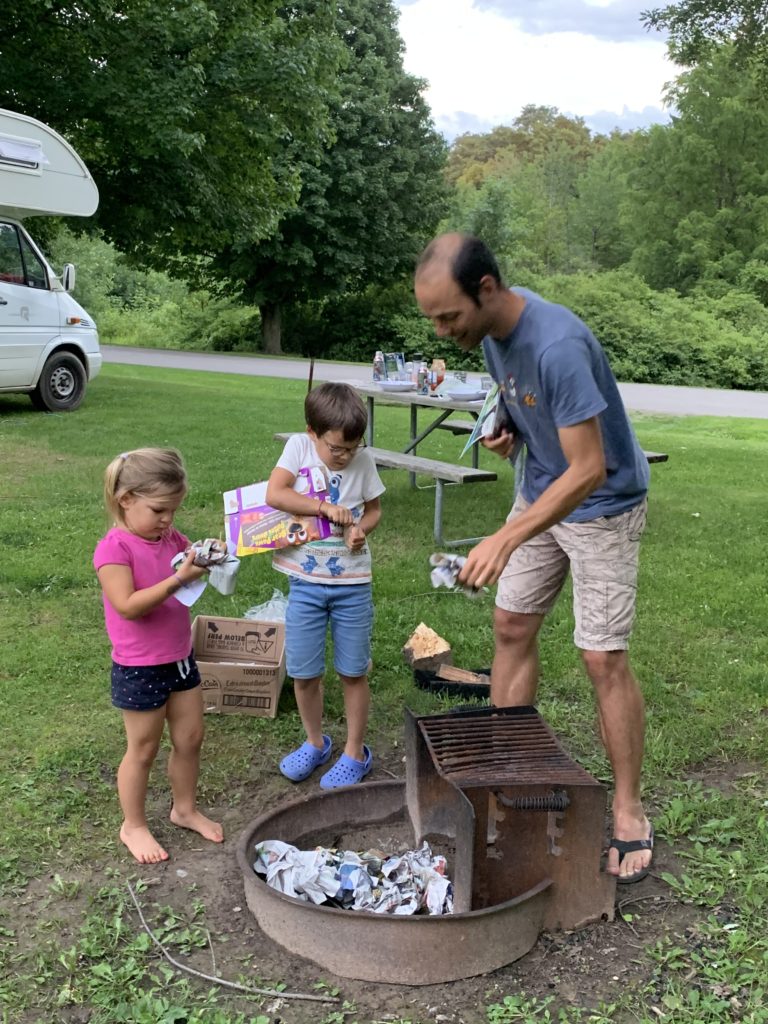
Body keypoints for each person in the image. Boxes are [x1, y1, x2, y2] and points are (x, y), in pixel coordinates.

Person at [414, 233, 654, 883]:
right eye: (433, 318)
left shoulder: (558, 345)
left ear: (487, 289)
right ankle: (509, 773)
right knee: (511, 625)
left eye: (448, 316)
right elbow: (525, 404)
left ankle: (629, 810)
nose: (442, 332)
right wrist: (510, 430)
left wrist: (505, 536)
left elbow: (590, 467)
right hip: (542, 490)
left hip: (602, 505)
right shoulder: (492, 335)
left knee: (602, 656)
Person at [93, 447, 224, 864]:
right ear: (125, 499)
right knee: (143, 748)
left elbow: (186, 556)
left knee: (190, 738)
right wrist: (178, 579)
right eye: (159, 510)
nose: (168, 520)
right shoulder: (114, 549)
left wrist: (207, 553)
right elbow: (128, 605)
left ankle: (184, 809)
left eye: (174, 510)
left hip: (180, 658)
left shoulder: (167, 537)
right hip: (139, 667)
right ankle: (133, 825)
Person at [266, 382, 385, 788]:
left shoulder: (362, 461)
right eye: (336, 448)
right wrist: (323, 508)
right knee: (304, 672)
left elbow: (374, 510)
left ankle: (355, 752)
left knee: (353, 671)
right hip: (306, 584)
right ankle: (315, 743)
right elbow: (275, 493)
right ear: (312, 432)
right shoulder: (298, 448)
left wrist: (361, 530)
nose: (345, 456)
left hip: (352, 585)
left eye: (353, 447)